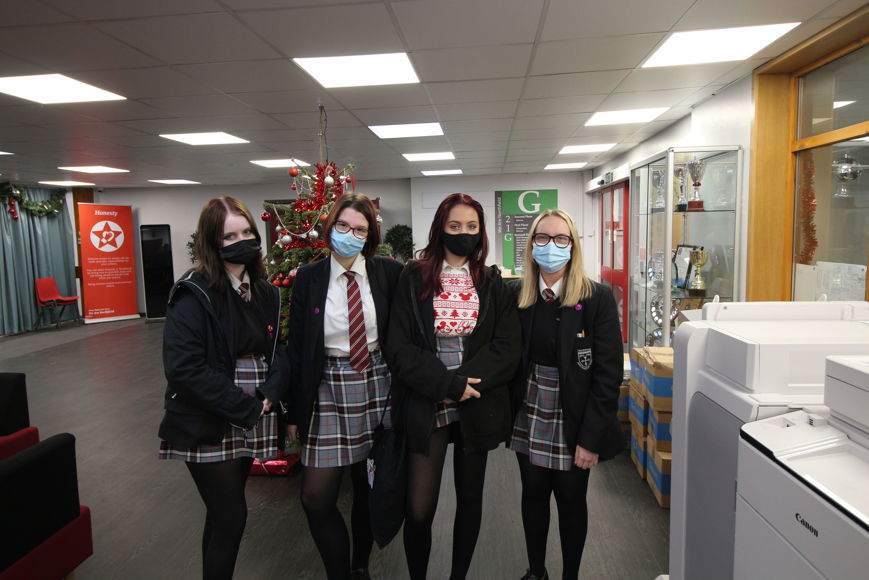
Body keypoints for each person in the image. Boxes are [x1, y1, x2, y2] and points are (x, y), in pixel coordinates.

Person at [386, 192, 520, 580]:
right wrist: (446, 384)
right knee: (419, 507)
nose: (464, 233)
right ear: (440, 229)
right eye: (455, 226)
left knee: (471, 500)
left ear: (482, 231)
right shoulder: (413, 276)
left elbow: (507, 346)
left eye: (472, 226)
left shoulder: (492, 282)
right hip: (428, 396)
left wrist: (464, 385)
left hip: (476, 398)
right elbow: (400, 346)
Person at [158, 196, 289, 580]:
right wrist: (246, 407)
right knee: (231, 518)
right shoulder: (192, 292)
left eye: (247, 232)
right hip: (211, 415)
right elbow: (184, 369)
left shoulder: (265, 291)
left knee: (220, 517)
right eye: (230, 236)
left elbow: (278, 350)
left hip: (257, 406)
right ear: (212, 243)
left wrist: (269, 394)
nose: (242, 241)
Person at [286, 193, 403, 580]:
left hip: (377, 383)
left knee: (367, 488)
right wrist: (294, 412)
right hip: (328, 387)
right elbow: (297, 347)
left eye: (360, 230)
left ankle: (360, 566)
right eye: (343, 226)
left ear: (370, 236)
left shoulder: (388, 273)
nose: (350, 235)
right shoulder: (309, 277)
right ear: (330, 226)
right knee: (315, 497)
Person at [508, 209, 624, 580]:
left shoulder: (596, 298)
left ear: (572, 246)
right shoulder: (518, 296)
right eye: (542, 238)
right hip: (531, 405)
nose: (551, 246)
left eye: (561, 239)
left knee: (571, 497)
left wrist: (590, 439)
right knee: (533, 493)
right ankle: (536, 571)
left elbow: (608, 375)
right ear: (531, 245)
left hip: (574, 410)